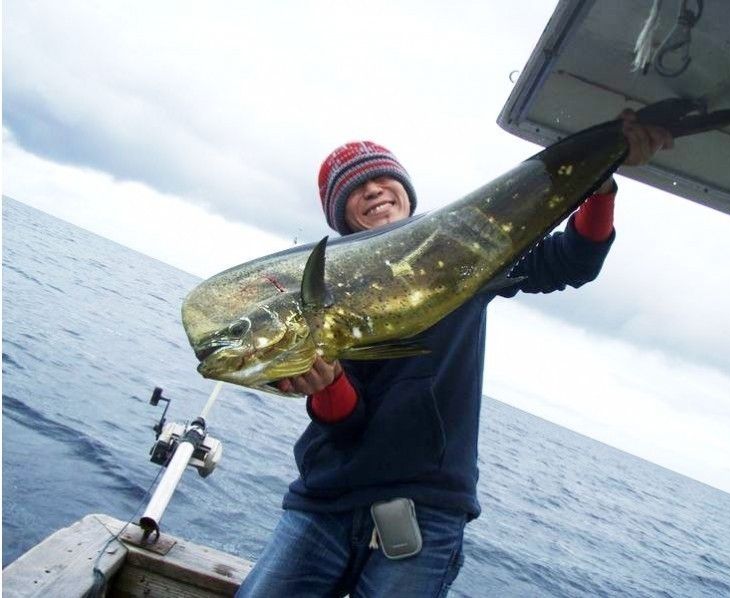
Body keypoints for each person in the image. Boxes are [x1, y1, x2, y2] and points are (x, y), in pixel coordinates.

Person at [237, 111, 672, 597]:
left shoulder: (462, 252)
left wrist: (600, 183)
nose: (374, 190)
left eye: (383, 178)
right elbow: (346, 419)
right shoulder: (320, 292)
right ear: (340, 215)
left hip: (428, 508)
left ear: (405, 189)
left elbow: (571, 260)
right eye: (356, 189)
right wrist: (325, 382)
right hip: (324, 502)